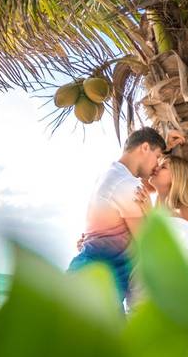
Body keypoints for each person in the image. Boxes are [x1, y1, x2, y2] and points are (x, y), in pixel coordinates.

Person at [67, 127, 181, 303]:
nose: (157, 165)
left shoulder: (110, 174)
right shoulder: (129, 186)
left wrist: (165, 146)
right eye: (158, 157)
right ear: (144, 148)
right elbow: (148, 246)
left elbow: (152, 185)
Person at [148, 156, 188, 270]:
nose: (156, 168)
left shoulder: (184, 211)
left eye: (163, 167)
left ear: (176, 178)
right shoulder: (153, 211)